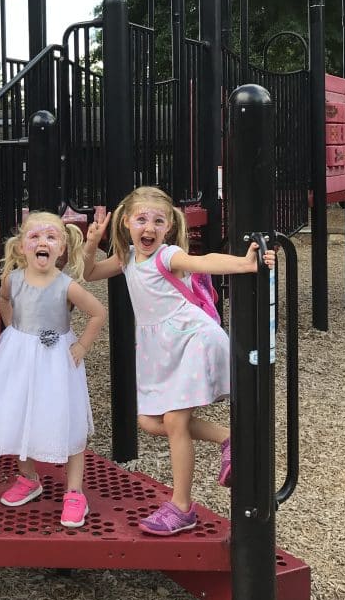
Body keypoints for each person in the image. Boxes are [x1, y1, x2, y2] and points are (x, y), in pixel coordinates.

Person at [83, 186, 275, 537]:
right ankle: (231, 439)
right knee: (148, 420)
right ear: (127, 223)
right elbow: (90, 273)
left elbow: (203, 262)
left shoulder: (166, 255)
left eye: (158, 221)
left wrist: (245, 264)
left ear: (169, 227)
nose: (149, 227)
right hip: (161, 347)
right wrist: (91, 242)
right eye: (141, 219)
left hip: (191, 337)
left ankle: (182, 506)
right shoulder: (127, 258)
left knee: (173, 420)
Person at [0, 211, 106, 528]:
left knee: (66, 418)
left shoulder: (67, 286)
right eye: (34, 237)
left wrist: (82, 346)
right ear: (22, 247)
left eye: (51, 237)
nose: (42, 242)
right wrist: (13, 330)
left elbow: (98, 313)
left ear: (61, 248)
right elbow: (3, 300)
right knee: (20, 413)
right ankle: (29, 477)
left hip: (57, 360)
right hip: (18, 355)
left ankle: (74, 491)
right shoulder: (13, 280)